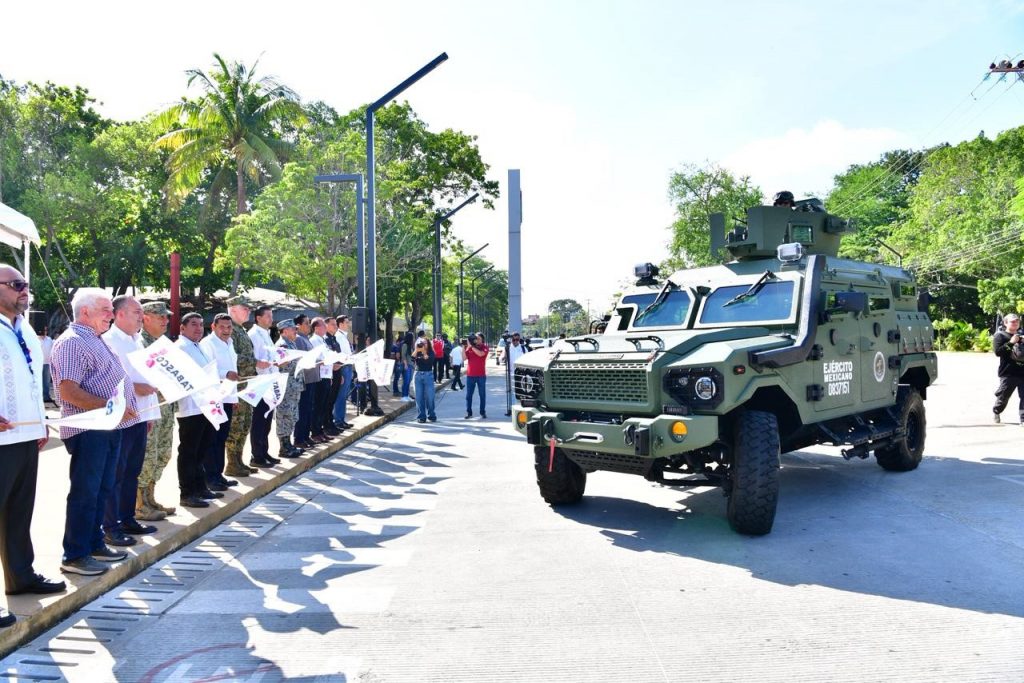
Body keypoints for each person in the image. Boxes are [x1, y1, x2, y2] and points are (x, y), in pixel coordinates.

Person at [51, 288, 138, 576]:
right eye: (106, 310)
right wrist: (111, 406)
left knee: (102, 489)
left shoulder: (95, 339)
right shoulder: (73, 342)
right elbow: (68, 391)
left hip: (108, 426)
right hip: (89, 429)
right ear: (85, 311)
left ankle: (94, 543)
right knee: (86, 492)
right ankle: (75, 554)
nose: (111, 315)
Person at [0, 264, 65, 625]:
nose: (24, 291)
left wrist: (41, 423)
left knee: (19, 512)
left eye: (25, 285)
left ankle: (20, 577)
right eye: (16, 285)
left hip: (24, 434)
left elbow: (29, 380)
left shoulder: (22, 326)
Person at [101, 295, 160, 547]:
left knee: (132, 471)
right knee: (116, 473)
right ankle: (110, 525)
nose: (141, 317)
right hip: (119, 417)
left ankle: (127, 518)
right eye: (136, 312)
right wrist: (135, 387)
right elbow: (107, 380)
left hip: (139, 415)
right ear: (120, 314)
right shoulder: (108, 340)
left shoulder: (137, 341)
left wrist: (148, 415)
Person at [175, 313, 220, 508]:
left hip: (206, 405)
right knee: (189, 451)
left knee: (202, 449)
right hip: (190, 407)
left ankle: (200, 487)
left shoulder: (199, 346)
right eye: (193, 324)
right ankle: (187, 492)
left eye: (201, 324)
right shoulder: (179, 348)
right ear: (182, 327)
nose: (198, 328)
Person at [137, 301, 177, 520]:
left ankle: (151, 498)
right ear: (146, 318)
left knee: (163, 454)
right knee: (147, 456)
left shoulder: (163, 343)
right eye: (161, 317)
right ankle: (139, 504)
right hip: (151, 407)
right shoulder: (140, 343)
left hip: (166, 407)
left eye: (166, 317)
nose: (166, 321)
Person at [224, 296, 266, 477]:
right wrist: (256, 362)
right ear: (232, 310)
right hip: (237, 386)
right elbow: (234, 358)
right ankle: (232, 463)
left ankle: (238, 461)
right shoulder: (229, 330)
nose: (248, 311)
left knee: (244, 424)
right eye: (245, 308)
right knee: (236, 425)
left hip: (246, 385)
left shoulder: (240, 330)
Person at [199, 313, 240, 491]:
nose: (226, 330)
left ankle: (218, 474)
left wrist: (234, 397)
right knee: (212, 439)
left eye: (229, 327)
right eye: (222, 327)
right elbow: (206, 370)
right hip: (214, 397)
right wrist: (224, 375)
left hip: (227, 396)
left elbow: (235, 371)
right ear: (213, 327)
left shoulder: (230, 343)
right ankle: (210, 477)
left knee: (222, 437)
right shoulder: (207, 344)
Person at [247, 305, 281, 468]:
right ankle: (257, 455)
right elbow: (254, 359)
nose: (271, 319)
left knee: (267, 419)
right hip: (259, 383)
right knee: (259, 420)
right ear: (258, 318)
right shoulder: (254, 335)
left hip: (270, 382)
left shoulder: (266, 334)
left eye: (271, 316)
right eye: (267, 316)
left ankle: (264, 450)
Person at [274, 319, 305, 458]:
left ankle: (289, 444)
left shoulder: (291, 344)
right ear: (285, 331)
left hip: (294, 386)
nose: (296, 331)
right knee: (285, 415)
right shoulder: (282, 346)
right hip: (286, 387)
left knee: (292, 416)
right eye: (293, 329)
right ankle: (284, 446)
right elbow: (283, 366)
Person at [992, 312, 1024, 424]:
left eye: (1017, 321)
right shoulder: (1000, 335)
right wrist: (1011, 342)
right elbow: (998, 352)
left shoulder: (1022, 334)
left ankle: (1023, 419)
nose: (1015, 323)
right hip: (1008, 372)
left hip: (1022, 372)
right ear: (1006, 323)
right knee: (1004, 397)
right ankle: (996, 411)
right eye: (1012, 321)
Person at [292, 314, 317, 448]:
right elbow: (302, 360)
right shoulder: (299, 340)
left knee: (308, 409)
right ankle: (299, 437)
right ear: (299, 325)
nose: (309, 326)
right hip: (305, 379)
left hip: (311, 378)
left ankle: (305, 436)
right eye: (307, 323)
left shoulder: (306, 338)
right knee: (302, 409)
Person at [307, 317, 332, 442]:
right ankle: (315, 431)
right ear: (316, 328)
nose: (326, 327)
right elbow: (317, 359)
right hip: (320, 376)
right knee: (317, 405)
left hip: (326, 375)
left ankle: (320, 430)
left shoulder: (323, 340)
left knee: (323, 405)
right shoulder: (314, 340)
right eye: (323, 325)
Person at [332, 315, 355, 431]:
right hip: (343, 367)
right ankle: (338, 420)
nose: (348, 324)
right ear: (340, 324)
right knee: (340, 396)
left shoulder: (343, 336)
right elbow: (339, 355)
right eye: (346, 322)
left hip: (348, 366)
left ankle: (341, 419)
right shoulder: (339, 337)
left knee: (344, 395)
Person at [322, 317, 343, 437]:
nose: (335, 326)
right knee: (328, 401)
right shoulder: (326, 340)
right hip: (330, 373)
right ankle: (327, 425)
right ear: (326, 326)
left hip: (337, 372)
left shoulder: (334, 339)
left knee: (332, 400)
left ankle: (330, 423)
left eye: (336, 324)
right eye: (333, 324)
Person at [464, 332, 489, 419]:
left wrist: (472, 346)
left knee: (482, 395)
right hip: (470, 375)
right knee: (468, 396)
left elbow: (481, 354)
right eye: (475, 338)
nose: (476, 340)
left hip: (481, 375)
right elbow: (464, 358)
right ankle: (469, 412)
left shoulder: (484, 347)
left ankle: (482, 412)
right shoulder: (470, 348)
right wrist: (465, 347)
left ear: (482, 340)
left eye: (478, 338)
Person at [413, 337, 437, 423]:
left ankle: (431, 414)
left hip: (428, 375)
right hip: (418, 375)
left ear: (428, 344)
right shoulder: (418, 351)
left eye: (425, 343)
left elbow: (429, 361)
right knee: (419, 397)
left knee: (430, 397)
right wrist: (416, 350)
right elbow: (412, 358)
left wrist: (423, 351)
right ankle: (421, 416)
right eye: (421, 343)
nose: (423, 344)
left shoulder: (431, 353)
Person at [38, 326, 53, 404]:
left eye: (46, 330)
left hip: (47, 363)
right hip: (38, 363)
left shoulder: (49, 339)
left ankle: (46, 396)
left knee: (46, 382)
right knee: (38, 381)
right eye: (44, 330)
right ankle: (39, 397)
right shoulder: (36, 339)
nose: (45, 332)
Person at [400, 332, 414, 402]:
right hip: (406, 365)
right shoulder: (404, 345)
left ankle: (407, 395)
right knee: (406, 381)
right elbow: (403, 355)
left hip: (411, 365)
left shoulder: (410, 346)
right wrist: (405, 364)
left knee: (409, 381)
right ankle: (403, 396)